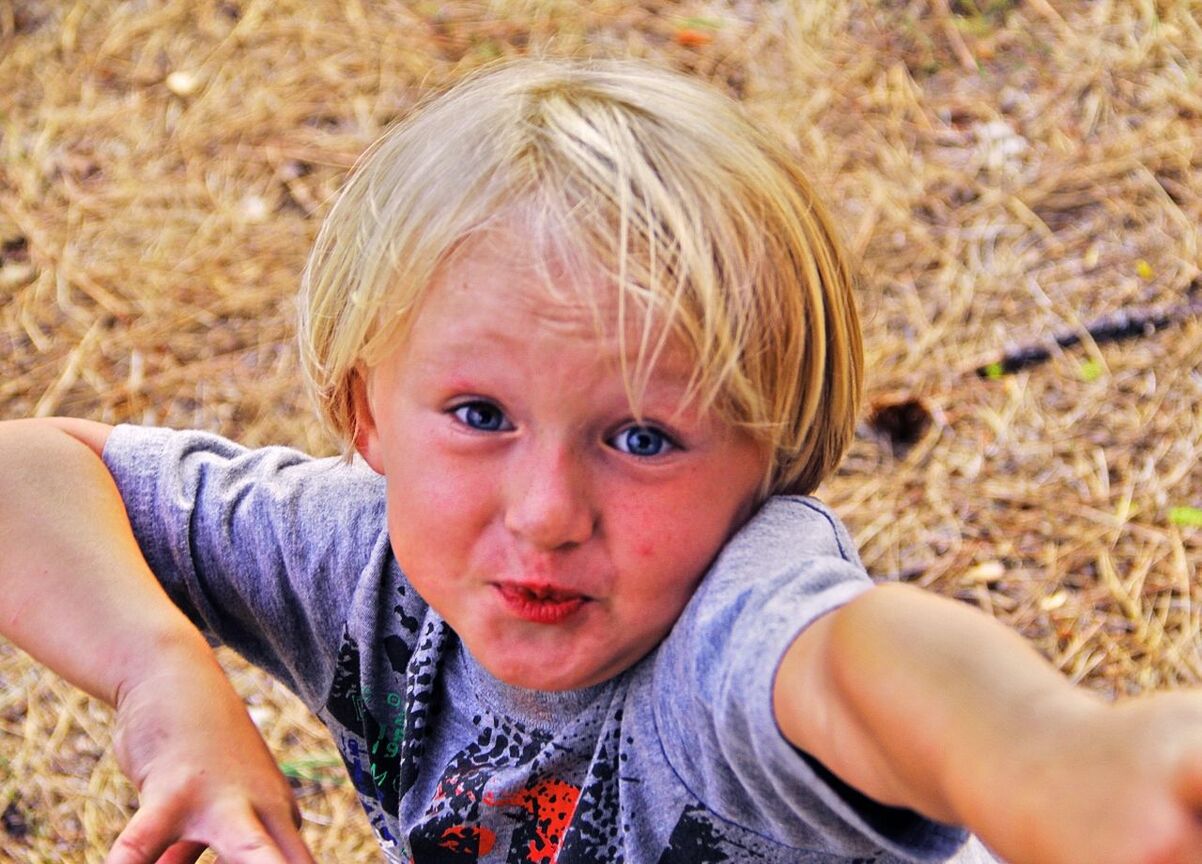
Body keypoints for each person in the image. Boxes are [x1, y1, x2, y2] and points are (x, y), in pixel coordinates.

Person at [3, 58, 1202, 864]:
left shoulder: (728, 623)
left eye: (641, 439)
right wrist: (164, 679)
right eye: (478, 414)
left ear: (767, 465)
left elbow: (862, 663)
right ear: (362, 410)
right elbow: (27, 472)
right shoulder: (357, 556)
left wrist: (1050, 755)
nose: (543, 513)